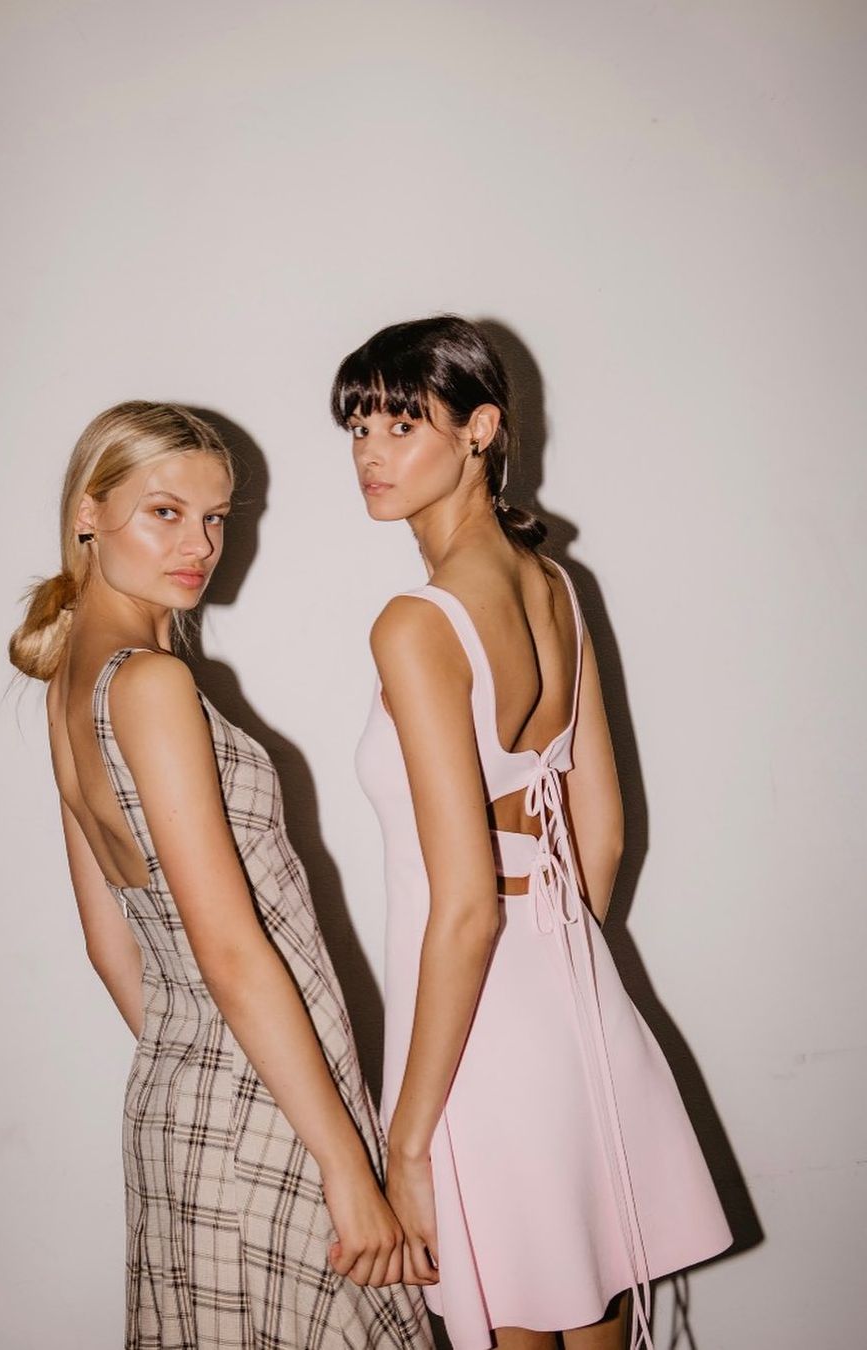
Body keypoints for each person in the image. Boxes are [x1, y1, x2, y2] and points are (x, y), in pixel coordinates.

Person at [331, 319, 732, 1350]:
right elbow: (603, 832)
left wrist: (406, 1146)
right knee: (591, 1303)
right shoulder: (554, 587)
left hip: (472, 1033)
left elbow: (467, 905)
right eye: (358, 426)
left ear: (480, 429)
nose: (371, 452)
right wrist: (559, 976)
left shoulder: (417, 623)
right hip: (571, 996)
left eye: (402, 424)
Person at [8, 402, 432, 1350]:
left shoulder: (72, 681)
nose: (199, 545)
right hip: (269, 1118)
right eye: (165, 512)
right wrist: (343, 1167)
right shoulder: (150, 686)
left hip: (187, 1107)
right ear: (89, 512)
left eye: (215, 518)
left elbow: (111, 945)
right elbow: (232, 954)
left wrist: (205, 1070)